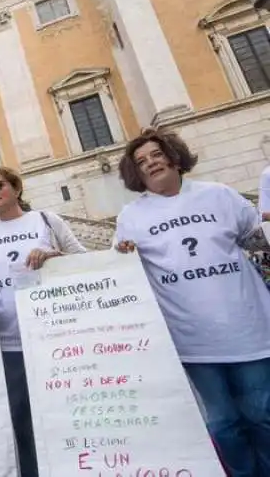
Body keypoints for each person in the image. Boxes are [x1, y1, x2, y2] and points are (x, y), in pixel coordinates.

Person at [114, 128, 270, 477]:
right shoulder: (131, 217)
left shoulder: (220, 196)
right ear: (135, 174)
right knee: (222, 424)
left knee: (262, 415)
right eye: (141, 162)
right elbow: (120, 274)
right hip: (192, 343)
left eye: (155, 154)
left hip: (251, 330)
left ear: (173, 156)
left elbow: (257, 239)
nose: (150, 163)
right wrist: (123, 256)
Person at [0, 165, 85, 477]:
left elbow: (85, 261)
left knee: (61, 412)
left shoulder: (47, 221)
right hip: (9, 344)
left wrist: (53, 256)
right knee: (20, 421)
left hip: (52, 336)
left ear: (16, 188)